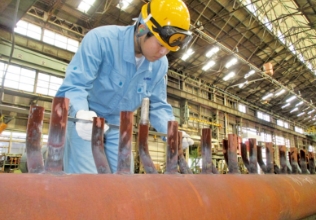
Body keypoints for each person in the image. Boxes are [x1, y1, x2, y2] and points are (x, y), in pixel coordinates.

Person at [56, 0, 194, 173]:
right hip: (85, 121)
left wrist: (172, 132)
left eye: (168, 49)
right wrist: (81, 113)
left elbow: (157, 104)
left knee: (123, 180)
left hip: (117, 127)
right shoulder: (101, 40)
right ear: (142, 28)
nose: (162, 53)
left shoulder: (160, 65)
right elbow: (74, 86)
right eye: (160, 44)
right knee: (88, 182)